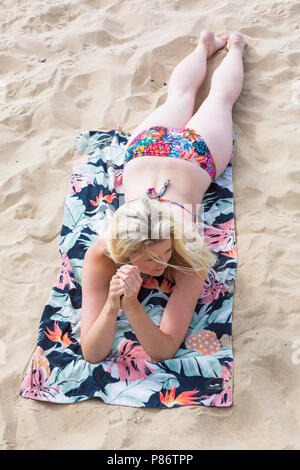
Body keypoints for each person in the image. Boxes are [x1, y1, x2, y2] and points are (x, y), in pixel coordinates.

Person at [80, 31, 246, 364]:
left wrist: (132, 304)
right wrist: (113, 303)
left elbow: (163, 349)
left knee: (201, 100)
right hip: (152, 153)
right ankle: (206, 45)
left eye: (166, 251)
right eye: (152, 259)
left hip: (183, 155)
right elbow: (91, 353)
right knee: (192, 99)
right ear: (125, 254)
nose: (164, 263)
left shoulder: (188, 252)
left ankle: (233, 48)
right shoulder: (101, 254)